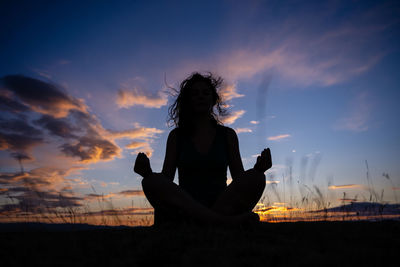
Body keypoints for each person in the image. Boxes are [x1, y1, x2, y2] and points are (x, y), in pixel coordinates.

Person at [134, 72, 272, 227]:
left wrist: (258, 169)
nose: (201, 97)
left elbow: (239, 178)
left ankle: (205, 222)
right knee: (150, 181)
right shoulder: (177, 136)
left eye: (206, 93)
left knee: (257, 177)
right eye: (195, 93)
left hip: (221, 205)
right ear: (188, 100)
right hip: (185, 206)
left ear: (213, 99)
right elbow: (166, 178)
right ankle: (223, 223)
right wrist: (146, 172)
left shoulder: (227, 135)